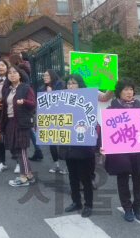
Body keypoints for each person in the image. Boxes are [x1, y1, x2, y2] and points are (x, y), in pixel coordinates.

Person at [102, 78, 140, 222]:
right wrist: (103, 144)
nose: (129, 92)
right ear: (119, 92)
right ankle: (127, 208)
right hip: (120, 151)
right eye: (126, 89)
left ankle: (137, 207)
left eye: (131, 89)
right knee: (122, 180)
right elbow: (107, 131)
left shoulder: (139, 106)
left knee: (139, 180)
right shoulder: (112, 109)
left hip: (138, 151)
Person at [60, 74, 97, 218]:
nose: (70, 86)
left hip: (83, 144)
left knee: (85, 177)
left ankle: (88, 204)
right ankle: (76, 201)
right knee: (72, 177)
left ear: (80, 85)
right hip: (69, 145)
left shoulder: (88, 99)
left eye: (74, 83)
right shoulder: (62, 101)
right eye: (68, 83)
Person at [0, 65, 36, 187]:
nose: (12, 74)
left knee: (21, 150)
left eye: (14, 72)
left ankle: (23, 178)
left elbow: (33, 104)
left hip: (21, 122)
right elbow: (5, 108)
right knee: (14, 149)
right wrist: (0, 124)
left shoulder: (26, 88)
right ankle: (29, 175)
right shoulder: (7, 90)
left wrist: (24, 101)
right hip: (9, 122)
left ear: (20, 75)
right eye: (10, 73)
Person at [31, 70, 64, 170]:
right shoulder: (42, 88)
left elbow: (62, 100)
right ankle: (56, 164)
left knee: (63, 141)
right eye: (44, 75)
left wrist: (51, 93)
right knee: (52, 140)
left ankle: (66, 165)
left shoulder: (60, 84)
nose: (44, 77)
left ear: (52, 76)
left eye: (47, 75)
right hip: (49, 117)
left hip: (61, 116)